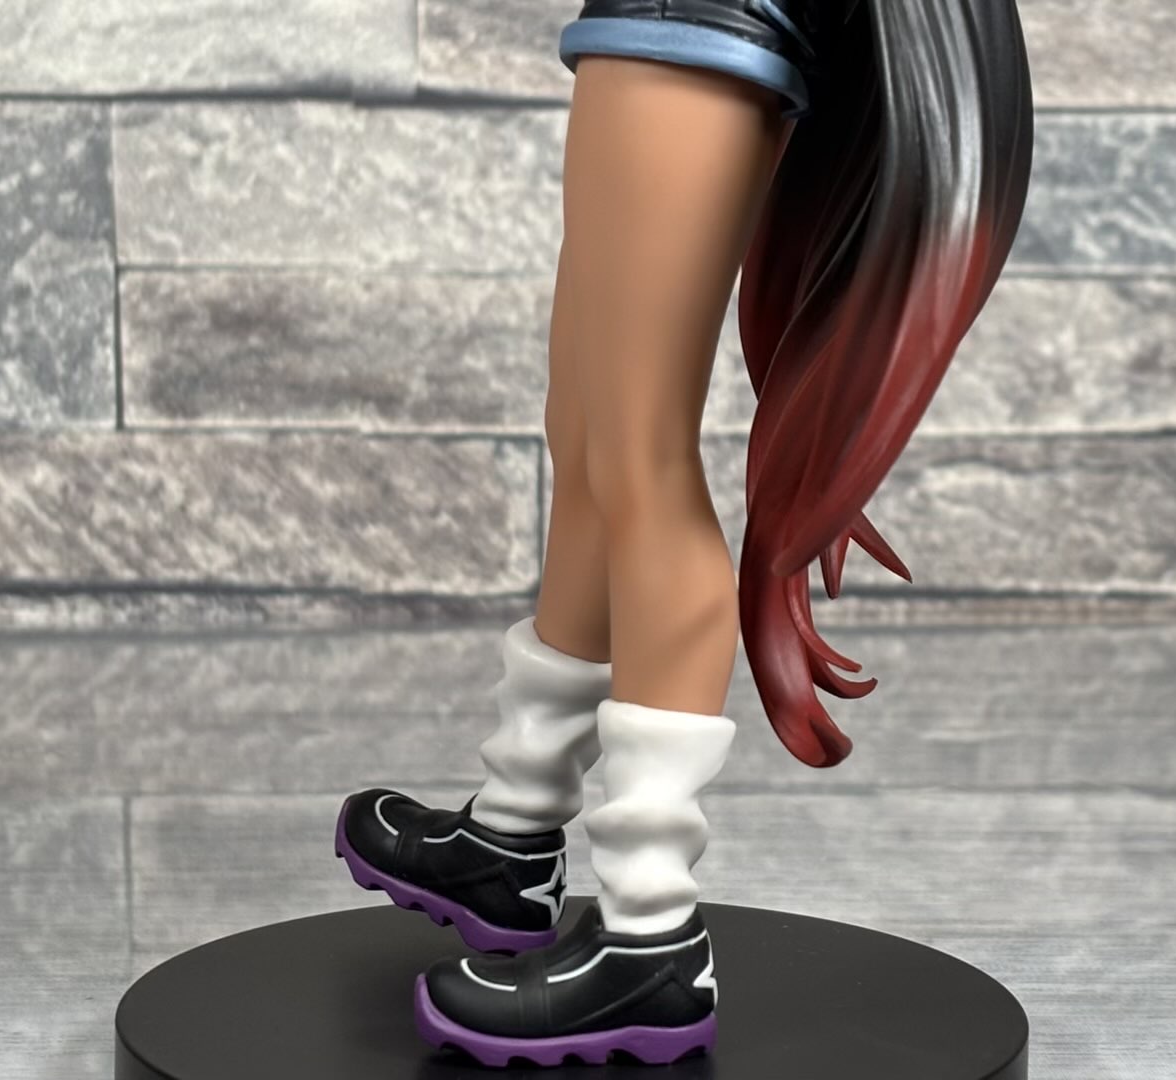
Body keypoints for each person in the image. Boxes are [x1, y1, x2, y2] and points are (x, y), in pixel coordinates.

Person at [335, 0, 1035, 1066]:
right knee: (585, 431)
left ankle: (650, 936)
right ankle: (513, 829)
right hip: (669, 16)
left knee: (640, 457)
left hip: (693, 15)